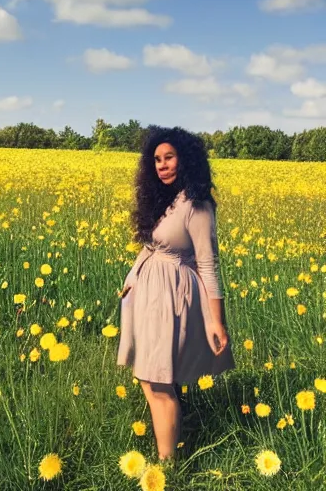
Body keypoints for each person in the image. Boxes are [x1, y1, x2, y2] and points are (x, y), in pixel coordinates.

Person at [116, 125, 236, 464]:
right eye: (157, 159)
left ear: (185, 159)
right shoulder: (166, 199)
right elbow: (152, 245)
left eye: (169, 157)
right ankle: (172, 447)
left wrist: (217, 322)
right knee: (149, 376)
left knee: (157, 382)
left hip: (172, 297)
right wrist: (132, 280)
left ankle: (166, 467)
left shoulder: (196, 205)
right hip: (149, 294)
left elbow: (208, 266)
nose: (162, 165)